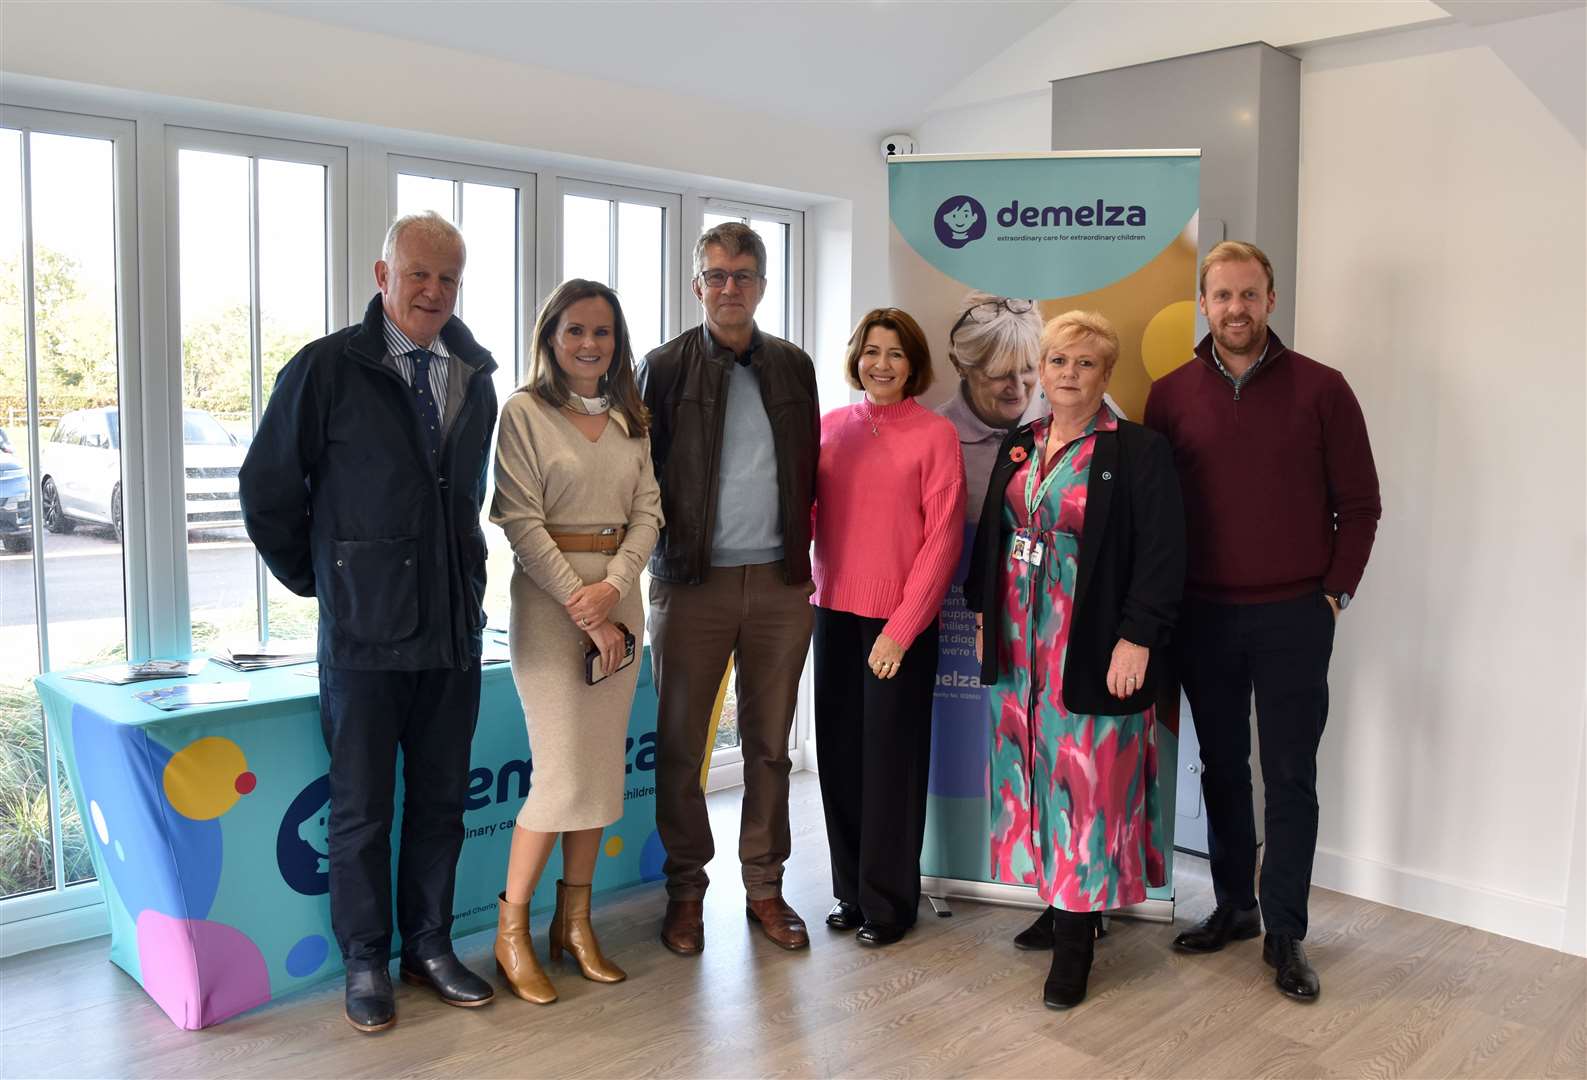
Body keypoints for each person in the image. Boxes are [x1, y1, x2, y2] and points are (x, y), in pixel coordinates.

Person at [239, 211, 498, 1032]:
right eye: (418, 273)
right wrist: (327, 580)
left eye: (448, 277)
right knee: (359, 810)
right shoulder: (325, 369)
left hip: (452, 629)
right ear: (382, 275)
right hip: (361, 638)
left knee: (441, 803)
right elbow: (268, 491)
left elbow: (463, 500)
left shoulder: (474, 372)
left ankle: (427, 946)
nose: (432, 290)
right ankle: (365, 961)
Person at [1144, 241, 1380, 1003]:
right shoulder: (1170, 395)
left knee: (1289, 777)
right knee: (1218, 770)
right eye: (1221, 296)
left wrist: (1334, 591)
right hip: (1203, 616)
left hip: (1292, 614)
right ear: (1203, 303)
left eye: (1249, 295)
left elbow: (1360, 504)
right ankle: (1234, 908)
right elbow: (1158, 517)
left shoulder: (1322, 389)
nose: (1235, 309)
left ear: (1270, 300)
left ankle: (1284, 931)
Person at [966, 310, 1185, 1009]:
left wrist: (1138, 636)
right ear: (1041, 369)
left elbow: (1162, 551)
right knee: (1032, 773)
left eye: (1084, 364)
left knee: (1087, 785)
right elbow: (991, 538)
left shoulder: (1137, 450)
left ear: (1105, 374)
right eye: (1057, 361)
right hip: (1020, 647)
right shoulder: (1021, 443)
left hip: (1088, 642)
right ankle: (1060, 900)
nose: (1067, 375)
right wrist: (981, 616)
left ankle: (1076, 939)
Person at [638, 222, 820, 955]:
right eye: (715, 276)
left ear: (762, 285)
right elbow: (641, 475)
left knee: (769, 746)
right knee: (682, 746)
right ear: (696, 286)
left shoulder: (794, 367)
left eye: (742, 275)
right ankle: (685, 893)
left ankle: (765, 888)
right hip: (690, 582)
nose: (728, 288)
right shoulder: (663, 366)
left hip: (779, 581)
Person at [488, 279, 662, 1004]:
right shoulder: (523, 413)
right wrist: (582, 605)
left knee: (598, 774)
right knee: (560, 776)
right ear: (550, 338)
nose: (590, 344)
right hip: (550, 607)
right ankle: (511, 936)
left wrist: (615, 590)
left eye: (603, 333)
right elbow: (518, 520)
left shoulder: (631, 418)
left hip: (619, 604)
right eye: (575, 331)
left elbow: (648, 512)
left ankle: (576, 925)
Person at [811, 308, 965, 946]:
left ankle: (890, 903)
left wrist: (901, 629)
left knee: (891, 765)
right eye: (870, 351)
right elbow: (808, 518)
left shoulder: (935, 436)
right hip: (832, 614)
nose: (880, 364)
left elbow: (943, 538)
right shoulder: (829, 429)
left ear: (914, 365)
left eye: (895, 354)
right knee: (839, 757)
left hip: (899, 623)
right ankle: (850, 890)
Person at [936, 293, 1044, 520]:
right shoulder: (935, 438)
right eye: (1000, 374)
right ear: (960, 365)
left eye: (1027, 369)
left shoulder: (1080, 414)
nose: (1017, 388)